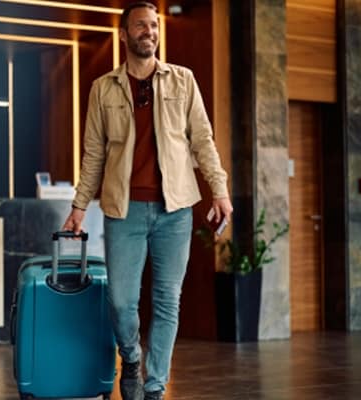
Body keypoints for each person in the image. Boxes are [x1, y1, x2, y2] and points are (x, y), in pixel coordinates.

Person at [60, 2, 233, 399]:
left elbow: (203, 140)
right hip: (124, 210)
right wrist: (79, 205)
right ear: (124, 34)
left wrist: (219, 190)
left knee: (167, 300)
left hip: (175, 211)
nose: (149, 31)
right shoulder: (103, 88)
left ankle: (153, 387)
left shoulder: (183, 81)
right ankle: (132, 359)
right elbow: (93, 154)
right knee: (121, 302)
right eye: (140, 25)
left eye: (154, 25)